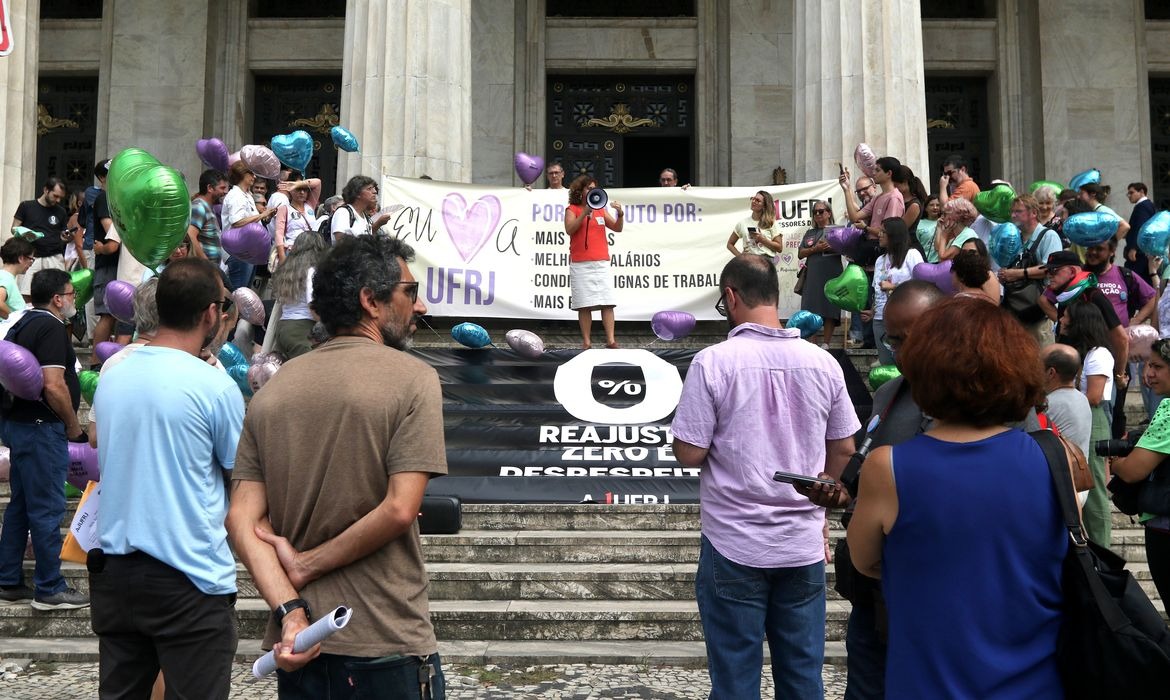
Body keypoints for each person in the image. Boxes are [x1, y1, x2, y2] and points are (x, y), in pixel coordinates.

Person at [227, 234, 448, 699]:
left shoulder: (273, 391)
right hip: (386, 638)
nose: (420, 307)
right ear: (371, 300)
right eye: (409, 292)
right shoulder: (415, 379)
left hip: (302, 642)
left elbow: (241, 522)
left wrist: (290, 611)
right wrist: (306, 565)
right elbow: (400, 509)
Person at [846, 296, 1065, 699]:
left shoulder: (888, 468)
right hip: (1035, 680)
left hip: (929, 680)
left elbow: (865, 560)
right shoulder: (1050, 455)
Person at [670, 254, 860, 699]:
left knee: (735, 678)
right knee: (802, 676)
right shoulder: (823, 363)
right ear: (777, 296)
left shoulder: (712, 363)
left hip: (733, 541)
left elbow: (691, 453)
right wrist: (820, 493)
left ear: (731, 297)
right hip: (800, 542)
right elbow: (846, 447)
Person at [89, 258, 243, 699]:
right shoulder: (213, 385)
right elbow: (242, 475)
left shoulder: (114, 372)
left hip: (116, 574)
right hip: (188, 576)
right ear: (210, 314)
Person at [0, 269, 89, 610]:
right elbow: (53, 383)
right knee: (47, 508)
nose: (73, 300)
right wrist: (71, 424)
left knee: (21, 505)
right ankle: (49, 587)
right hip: (41, 430)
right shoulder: (51, 327)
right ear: (57, 298)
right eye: (71, 294)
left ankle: (8, 578)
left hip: (20, 427)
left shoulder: (21, 322)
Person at [1110, 338, 1170, 613]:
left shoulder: (1169, 412)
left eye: (1157, 366)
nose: (1148, 373)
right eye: (1147, 365)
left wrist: (1117, 464)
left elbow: (1134, 471)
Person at [1081, 236, 1156, 439]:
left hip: (1118, 354)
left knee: (1117, 408)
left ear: (1112, 251)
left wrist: (1135, 322)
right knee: (1089, 405)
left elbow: (1152, 298)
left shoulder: (1125, 275)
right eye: (1090, 248)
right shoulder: (1079, 276)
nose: (1093, 252)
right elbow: (1050, 299)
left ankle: (1113, 457)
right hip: (1084, 351)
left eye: (1100, 248)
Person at [1059, 298, 1116, 548]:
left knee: (1093, 487)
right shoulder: (1083, 353)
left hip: (1095, 418)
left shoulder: (1099, 354)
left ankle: (1101, 548)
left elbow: (1094, 396)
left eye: (1067, 316)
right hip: (1085, 417)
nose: (1061, 320)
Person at [564, 174, 624, 349]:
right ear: (580, 191)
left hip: (601, 262)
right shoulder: (572, 209)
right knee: (584, 304)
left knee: (607, 302)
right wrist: (583, 214)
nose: (592, 191)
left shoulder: (600, 209)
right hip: (581, 263)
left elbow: (617, 228)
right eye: (588, 188)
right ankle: (587, 342)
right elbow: (570, 229)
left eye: (594, 188)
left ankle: (611, 340)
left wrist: (620, 214)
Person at [867, 218, 922, 365]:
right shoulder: (880, 260)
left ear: (894, 235)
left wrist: (894, 287)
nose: (879, 234)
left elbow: (921, 286)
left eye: (883, 232)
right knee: (886, 363)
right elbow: (877, 290)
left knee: (907, 362)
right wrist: (872, 311)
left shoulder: (912, 255)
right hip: (880, 318)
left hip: (904, 317)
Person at [1041, 343, 1093, 497]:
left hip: (1062, 490)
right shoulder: (1082, 398)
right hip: (1079, 485)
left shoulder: (1049, 404)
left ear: (1051, 373)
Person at [270, 232, 327, 359]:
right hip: (302, 330)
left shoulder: (287, 270)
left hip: (283, 328)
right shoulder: (312, 272)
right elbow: (313, 305)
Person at [11, 177, 69, 297]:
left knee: (57, 294)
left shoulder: (61, 211)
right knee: (27, 294)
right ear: (46, 190)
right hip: (31, 257)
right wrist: (25, 234)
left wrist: (66, 237)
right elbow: (14, 228)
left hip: (54, 256)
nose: (57, 200)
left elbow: (62, 235)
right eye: (55, 196)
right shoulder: (26, 206)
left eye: (60, 198)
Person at [798, 200, 843, 348]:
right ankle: (813, 343)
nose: (818, 214)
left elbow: (847, 250)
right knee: (812, 306)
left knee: (829, 306)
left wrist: (836, 246)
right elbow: (800, 253)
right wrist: (815, 249)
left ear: (829, 212)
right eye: (815, 212)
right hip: (813, 274)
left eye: (821, 211)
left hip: (832, 272)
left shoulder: (838, 230)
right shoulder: (809, 233)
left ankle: (826, 343)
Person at [272, 177, 321, 267]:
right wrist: (282, 257)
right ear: (291, 191)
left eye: (304, 190)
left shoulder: (310, 205)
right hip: (292, 251)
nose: (302, 192)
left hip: (311, 251)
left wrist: (297, 184)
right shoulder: (284, 209)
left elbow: (318, 182)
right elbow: (279, 234)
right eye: (298, 189)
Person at [330, 175, 392, 239]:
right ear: (357, 193)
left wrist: (378, 224)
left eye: (373, 189)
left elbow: (367, 239)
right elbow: (341, 241)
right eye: (369, 189)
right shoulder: (343, 212)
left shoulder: (365, 217)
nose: (374, 191)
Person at [187, 169, 229, 262]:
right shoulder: (199, 207)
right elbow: (190, 235)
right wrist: (205, 262)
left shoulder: (207, 207)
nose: (225, 192)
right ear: (210, 188)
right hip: (203, 269)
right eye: (222, 188)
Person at [726, 190, 782, 258]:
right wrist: (740, 257)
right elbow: (729, 244)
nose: (753, 201)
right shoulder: (742, 223)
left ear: (764, 206)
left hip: (766, 261)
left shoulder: (771, 223)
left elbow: (779, 248)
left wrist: (762, 239)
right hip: (749, 261)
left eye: (758, 200)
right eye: (753, 198)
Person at [1126, 182, 1157, 285]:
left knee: (1135, 281)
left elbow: (1141, 228)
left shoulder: (1142, 206)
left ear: (1142, 192)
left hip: (1139, 253)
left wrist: (1134, 248)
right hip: (1144, 252)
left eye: (1131, 192)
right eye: (1128, 193)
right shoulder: (1146, 205)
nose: (1129, 196)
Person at [932, 197, 979, 261]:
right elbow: (938, 248)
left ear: (955, 217)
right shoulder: (956, 234)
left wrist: (943, 236)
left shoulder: (966, 234)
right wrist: (939, 228)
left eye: (945, 214)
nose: (942, 217)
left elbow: (943, 258)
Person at [0, 238, 34, 319]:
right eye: (31, 259)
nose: (31, 264)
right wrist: (15, 320)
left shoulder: (6, 277)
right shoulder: (6, 278)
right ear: (21, 258)